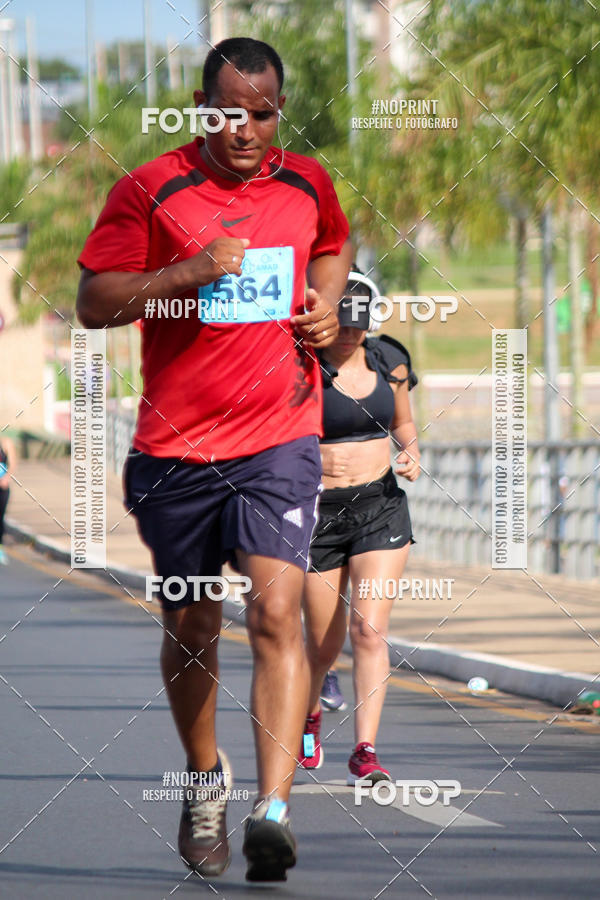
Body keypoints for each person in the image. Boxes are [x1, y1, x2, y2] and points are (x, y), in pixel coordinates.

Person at [76, 37, 352, 882]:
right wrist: (188, 269)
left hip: (279, 435)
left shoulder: (307, 181)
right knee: (194, 625)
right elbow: (93, 301)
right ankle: (206, 779)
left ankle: (273, 808)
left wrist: (325, 310)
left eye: (262, 113)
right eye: (229, 112)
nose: (246, 128)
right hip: (176, 448)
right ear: (202, 108)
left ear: (279, 111)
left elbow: (334, 243)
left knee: (276, 615)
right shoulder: (152, 188)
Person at [299, 269, 420, 783]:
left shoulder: (389, 360)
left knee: (368, 630)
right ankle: (308, 716)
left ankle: (365, 750)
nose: (349, 335)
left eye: (358, 325)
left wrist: (411, 452)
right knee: (323, 644)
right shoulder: (298, 364)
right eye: (340, 325)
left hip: (380, 507)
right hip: (315, 513)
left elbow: (404, 425)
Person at [0, 435, 16, 565]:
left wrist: (6, 478)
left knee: (0, 517)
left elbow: (13, 464)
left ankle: (0, 547)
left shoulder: (6, 443)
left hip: (2, 486)